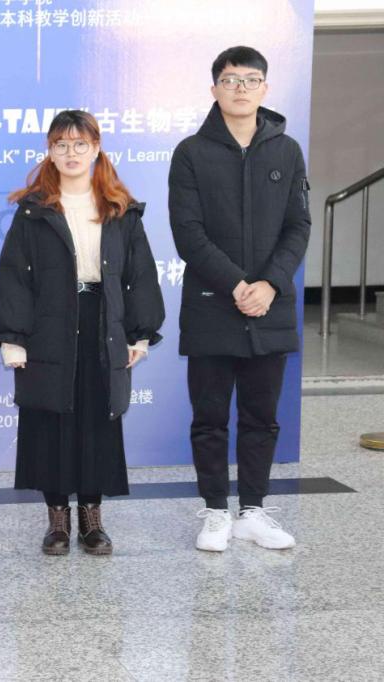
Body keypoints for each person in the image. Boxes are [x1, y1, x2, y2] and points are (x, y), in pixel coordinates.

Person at [0, 110, 164, 556]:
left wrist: (140, 333)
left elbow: (140, 275)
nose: (71, 153)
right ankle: (57, 522)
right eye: (61, 144)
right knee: (51, 420)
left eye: (80, 144)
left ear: (96, 149)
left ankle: (91, 519)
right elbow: (14, 276)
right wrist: (12, 336)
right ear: (50, 151)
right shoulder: (34, 210)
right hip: (49, 325)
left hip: (104, 322)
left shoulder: (120, 208)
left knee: (97, 422)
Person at [169, 46, 311, 552]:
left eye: (251, 80)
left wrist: (269, 284)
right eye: (230, 80)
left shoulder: (286, 151)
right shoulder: (191, 152)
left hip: (270, 306)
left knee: (261, 416)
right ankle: (214, 511)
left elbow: (298, 226)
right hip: (213, 303)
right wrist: (236, 284)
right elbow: (188, 233)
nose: (241, 89)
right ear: (215, 89)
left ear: (265, 89)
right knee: (209, 418)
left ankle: (252, 511)